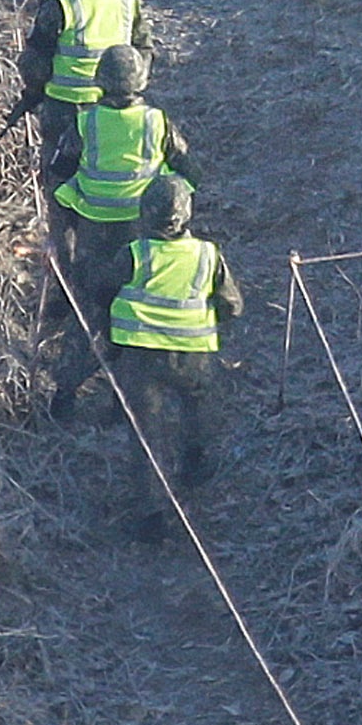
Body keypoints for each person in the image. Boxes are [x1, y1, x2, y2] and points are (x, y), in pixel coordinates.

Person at [96, 176, 244, 533]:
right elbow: (233, 306)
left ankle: (151, 517)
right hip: (193, 354)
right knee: (198, 406)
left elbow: (102, 291)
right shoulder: (209, 255)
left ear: (146, 213)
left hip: (141, 356)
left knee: (146, 433)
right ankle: (195, 466)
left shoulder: (135, 253)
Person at [44, 46, 196, 379]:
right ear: (141, 78)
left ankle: (66, 389)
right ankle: (125, 386)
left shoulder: (86, 123)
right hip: (144, 231)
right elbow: (187, 171)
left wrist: (67, 219)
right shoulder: (157, 122)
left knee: (88, 307)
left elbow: (59, 171)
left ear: (100, 80)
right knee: (137, 303)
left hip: (94, 231)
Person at [4, 0, 152, 162]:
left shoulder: (60, 2)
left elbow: (35, 64)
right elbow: (143, 50)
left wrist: (33, 93)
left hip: (64, 109)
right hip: (112, 111)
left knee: (61, 182)